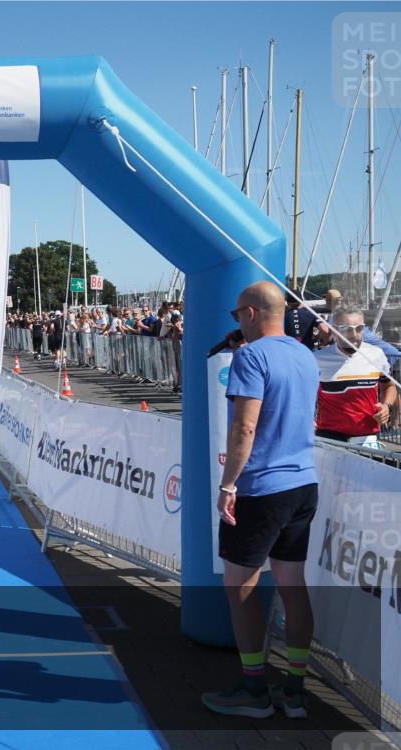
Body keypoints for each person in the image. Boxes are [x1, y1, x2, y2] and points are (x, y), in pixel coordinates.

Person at [203, 281, 319, 720]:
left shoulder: (251, 356)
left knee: (240, 587)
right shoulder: (305, 354)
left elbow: (244, 430)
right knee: (292, 585)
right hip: (303, 483)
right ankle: (295, 691)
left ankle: (254, 689)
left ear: (250, 313)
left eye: (237, 316)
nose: (236, 324)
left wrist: (228, 484)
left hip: (262, 487)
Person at [313, 305, 397, 447]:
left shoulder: (376, 354)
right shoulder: (317, 359)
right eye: (347, 329)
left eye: (359, 328)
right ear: (334, 330)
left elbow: (389, 385)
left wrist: (386, 406)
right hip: (330, 440)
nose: (354, 334)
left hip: (367, 440)